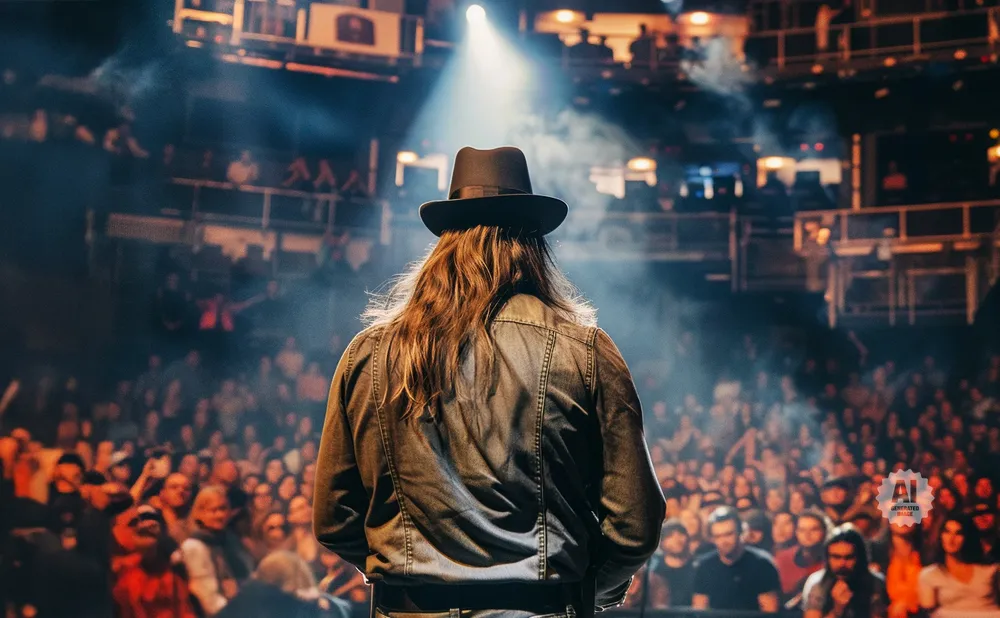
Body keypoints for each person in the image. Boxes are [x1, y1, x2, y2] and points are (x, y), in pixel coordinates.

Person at [313, 146, 665, 618]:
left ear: (443, 244)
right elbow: (635, 524)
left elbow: (335, 519)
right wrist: (584, 592)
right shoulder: (583, 351)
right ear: (533, 246)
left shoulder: (369, 354)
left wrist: (405, 576)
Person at [691, 506, 781, 612]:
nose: (723, 541)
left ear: (740, 532)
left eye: (728, 534)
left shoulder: (762, 565)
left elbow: (770, 613)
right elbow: (699, 611)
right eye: (718, 536)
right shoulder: (704, 567)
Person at [918, 514, 1000, 617]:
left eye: (958, 533)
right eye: (947, 532)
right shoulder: (930, 574)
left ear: (967, 537)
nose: (951, 539)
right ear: (940, 535)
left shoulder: (991, 569)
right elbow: (929, 610)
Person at [802, 524, 888, 618]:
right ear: (827, 558)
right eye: (836, 557)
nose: (842, 564)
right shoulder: (817, 583)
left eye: (849, 557)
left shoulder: (876, 582)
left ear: (859, 558)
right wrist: (837, 610)